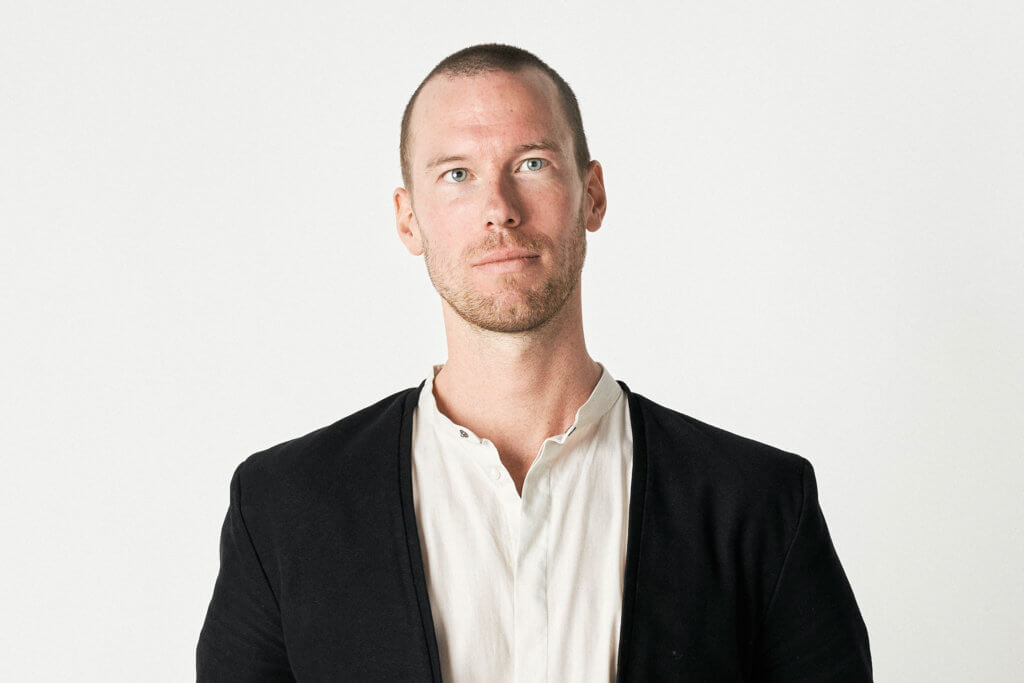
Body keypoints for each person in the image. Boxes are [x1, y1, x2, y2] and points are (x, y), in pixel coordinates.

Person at [196, 43, 872, 682]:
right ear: (408, 219)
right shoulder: (284, 510)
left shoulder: (759, 504)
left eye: (532, 164)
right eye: (457, 174)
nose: (499, 209)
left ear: (592, 194)